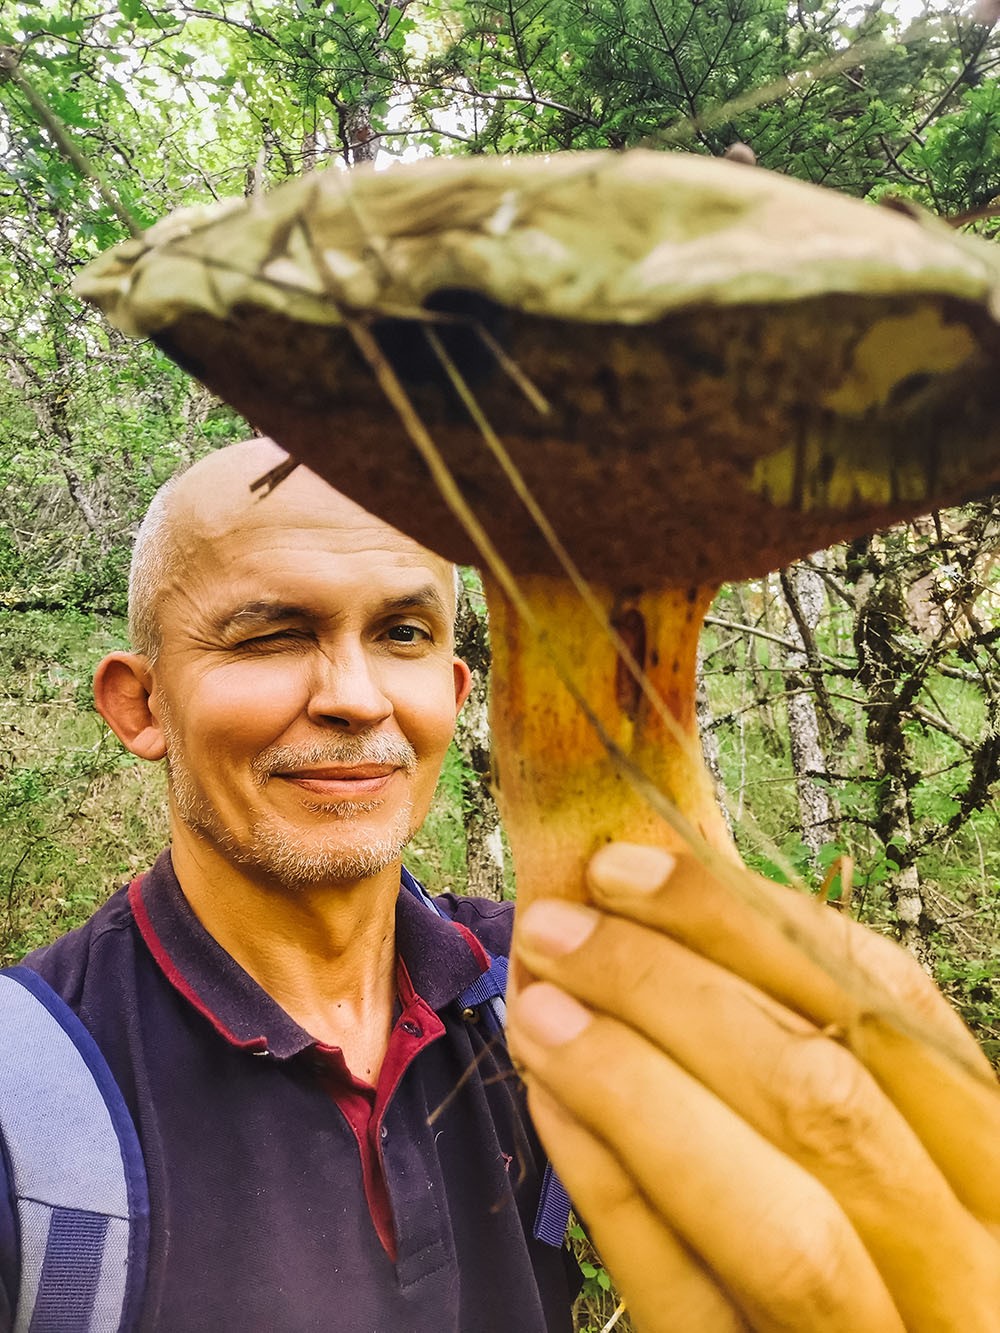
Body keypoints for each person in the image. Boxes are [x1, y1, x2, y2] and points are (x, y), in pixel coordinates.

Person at [4, 436, 999, 1330]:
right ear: (140, 704)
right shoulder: (29, 1093)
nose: (356, 697)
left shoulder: (554, 989)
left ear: (456, 689)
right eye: (270, 634)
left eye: (402, 633)